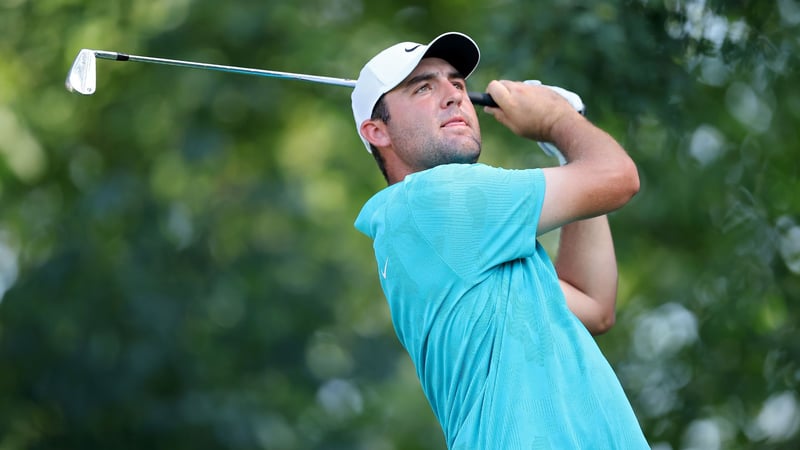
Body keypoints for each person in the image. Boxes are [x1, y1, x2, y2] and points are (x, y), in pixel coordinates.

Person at [351, 32, 649, 449]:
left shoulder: (471, 242)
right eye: (423, 88)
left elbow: (593, 304)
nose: (454, 96)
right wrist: (559, 121)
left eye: (456, 83)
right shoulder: (436, 198)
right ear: (377, 131)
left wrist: (568, 146)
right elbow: (618, 178)